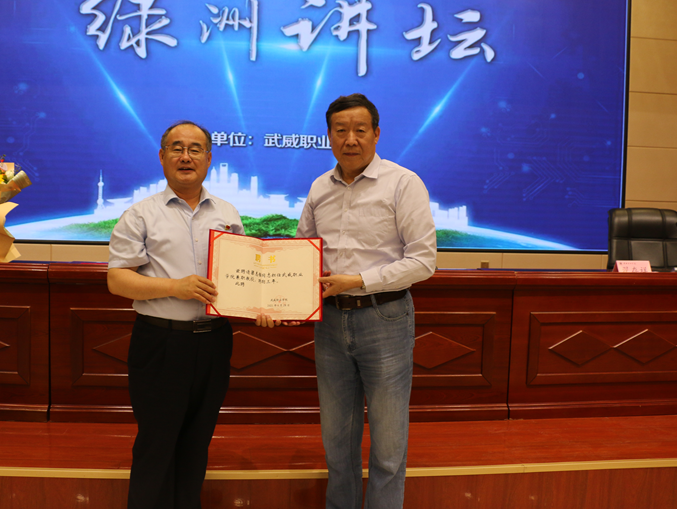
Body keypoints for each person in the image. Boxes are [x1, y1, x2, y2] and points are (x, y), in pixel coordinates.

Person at [108, 120, 269, 509]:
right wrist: (174, 287)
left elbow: (244, 277)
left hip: (214, 342)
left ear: (209, 159)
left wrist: (266, 304)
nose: (186, 156)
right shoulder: (140, 214)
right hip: (161, 342)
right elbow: (117, 280)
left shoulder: (227, 213)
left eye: (195, 149)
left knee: (197, 443)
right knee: (157, 444)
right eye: (177, 148)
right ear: (162, 157)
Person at [296, 94, 437, 509]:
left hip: (385, 317)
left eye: (360, 130)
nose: (350, 139)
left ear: (376, 134)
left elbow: (423, 261)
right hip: (330, 322)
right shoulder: (319, 187)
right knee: (337, 441)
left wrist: (358, 280)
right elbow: (302, 254)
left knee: (389, 446)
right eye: (340, 131)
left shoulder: (403, 183)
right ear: (329, 136)